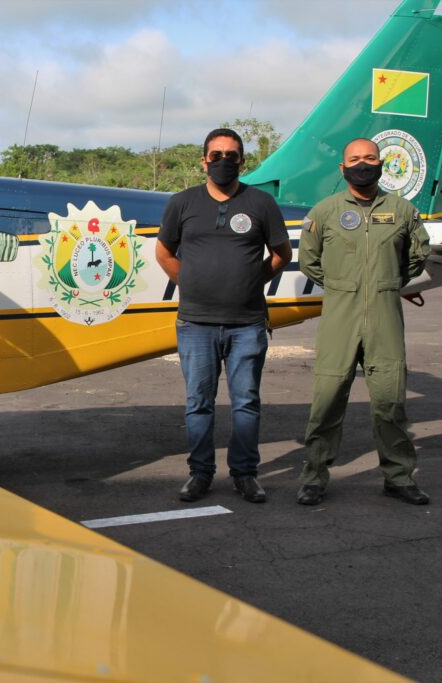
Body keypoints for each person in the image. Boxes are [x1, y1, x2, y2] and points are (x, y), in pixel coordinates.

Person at [156, 128, 292, 504]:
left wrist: (252, 280)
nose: (223, 162)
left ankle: (245, 474)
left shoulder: (261, 203)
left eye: (231, 156)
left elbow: (282, 255)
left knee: (246, 401)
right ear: (204, 161)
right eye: (215, 155)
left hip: (247, 323)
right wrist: (191, 282)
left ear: (242, 161)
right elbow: (164, 253)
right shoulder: (182, 203)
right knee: (198, 402)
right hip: (195, 324)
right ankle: (200, 474)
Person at [296, 138, 431, 506]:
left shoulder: (403, 211)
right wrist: (344, 286)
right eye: (354, 159)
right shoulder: (324, 212)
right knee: (327, 401)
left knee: (390, 402)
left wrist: (386, 283)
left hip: (385, 315)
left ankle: (398, 476)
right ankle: (314, 478)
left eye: (370, 158)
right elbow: (310, 261)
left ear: (381, 163)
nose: (362, 164)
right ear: (342, 169)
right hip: (340, 315)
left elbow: (417, 256)